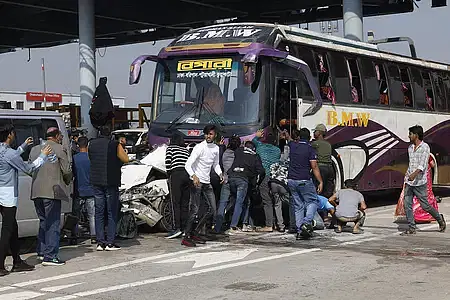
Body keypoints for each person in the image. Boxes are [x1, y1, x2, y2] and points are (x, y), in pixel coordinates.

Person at [0, 126, 52, 276]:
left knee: (12, 228)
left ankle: (17, 261)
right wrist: (42, 156)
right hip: (8, 195)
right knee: (7, 230)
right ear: (9, 135)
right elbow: (29, 168)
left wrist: (23, 147)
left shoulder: (5, 152)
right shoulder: (9, 153)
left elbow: (10, 158)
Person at [30, 127, 72, 266]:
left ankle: (41, 252)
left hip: (36, 191)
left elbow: (31, 169)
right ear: (56, 136)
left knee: (43, 221)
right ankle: (51, 256)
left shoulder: (35, 149)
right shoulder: (60, 149)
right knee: (53, 223)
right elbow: (66, 170)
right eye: (60, 136)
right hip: (52, 191)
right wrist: (67, 181)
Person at [89, 126, 129, 251]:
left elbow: (91, 158)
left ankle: (100, 242)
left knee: (99, 211)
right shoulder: (114, 144)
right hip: (110, 181)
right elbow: (125, 159)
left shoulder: (92, 144)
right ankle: (110, 242)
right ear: (110, 134)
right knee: (111, 211)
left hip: (96, 181)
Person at [401, 125, 445, 235]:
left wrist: (414, 174)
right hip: (409, 181)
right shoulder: (410, 148)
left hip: (420, 182)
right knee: (407, 205)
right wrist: (407, 176)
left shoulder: (425, 147)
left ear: (416, 135)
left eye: (410, 134)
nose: (408, 136)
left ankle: (439, 219)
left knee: (425, 205)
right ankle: (412, 227)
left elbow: (422, 165)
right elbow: (411, 164)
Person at [183, 125, 223, 247]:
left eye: (210, 134)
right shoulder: (199, 147)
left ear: (215, 134)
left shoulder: (216, 148)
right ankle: (186, 236)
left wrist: (220, 173)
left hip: (207, 182)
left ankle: (195, 232)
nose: (208, 136)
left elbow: (215, 164)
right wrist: (194, 176)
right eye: (206, 134)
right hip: (197, 182)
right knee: (194, 210)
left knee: (212, 210)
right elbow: (187, 164)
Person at [283, 128, 323, 240]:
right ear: (309, 138)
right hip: (304, 180)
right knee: (313, 201)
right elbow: (314, 167)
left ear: (299, 137)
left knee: (298, 205)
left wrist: (286, 134)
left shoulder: (293, 145)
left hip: (291, 180)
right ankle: (306, 223)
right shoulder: (310, 149)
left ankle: (300, 230)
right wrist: (320, 181)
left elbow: (289, 139)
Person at [223, 141, 264, 235]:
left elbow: (239, 148)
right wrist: (255, 180)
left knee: (233, 201)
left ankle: (221, 222)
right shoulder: (255, 156)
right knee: (240, 202)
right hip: (243, 180)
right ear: (253, 149)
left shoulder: (239, 151)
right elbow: (261, 170)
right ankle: (233, 226)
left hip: (231, 177)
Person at [252, 129, 282, 232]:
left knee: (266, 201)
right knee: (276, 201)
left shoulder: (260, 147)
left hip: (264, 177)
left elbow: (254, 140)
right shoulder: (277, 150)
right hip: (275, 177)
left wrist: (257, 136)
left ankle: (269, 225)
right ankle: (279, 224)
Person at [395, 156, 439, 223]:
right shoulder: (427, 154)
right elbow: (432, 165)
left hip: (416, 178)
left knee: (418, 201)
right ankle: (413, 225)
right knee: (423, 199)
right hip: (424, 178)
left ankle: (418, 217)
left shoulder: (415, 152)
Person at [165, 133, 190, 239]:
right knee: (185, 204)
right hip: (187, 175)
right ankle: (185, 228)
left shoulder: (170, 148)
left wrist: (168, 175)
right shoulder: (186, 150)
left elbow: (168, 163)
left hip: (176, 175)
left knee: (175, 202)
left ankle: (176, 228)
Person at [215, 135, 241, 233]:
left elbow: (219, 162)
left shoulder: (224, 153)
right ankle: (233, 224)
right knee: (237, 201)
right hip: (236, 179)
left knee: (222, 203)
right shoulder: (239, 154)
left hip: (225, 180)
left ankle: (217, 226)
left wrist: (221, 146)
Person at [73, 136, 96, 244]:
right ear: (87, 145)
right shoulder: (91, 158)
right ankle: (94, 236)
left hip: (78, 190)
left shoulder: (74, 158)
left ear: (78, 146)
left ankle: (74, 235)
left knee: (75, 215)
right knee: (92, 214)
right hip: (91, 190)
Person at [311, 124, 335, 198]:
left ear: (319, 133)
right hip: (330, 168)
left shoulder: (315, 144)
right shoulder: (328, 144)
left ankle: (318, 207)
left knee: (318, 189)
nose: (314, 133)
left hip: (321, 168)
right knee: (327, 191)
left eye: (315, 131)